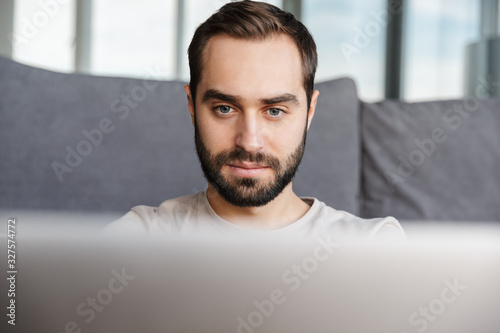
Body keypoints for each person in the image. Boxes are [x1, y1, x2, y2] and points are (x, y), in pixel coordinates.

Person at [105, 0, 404, 240]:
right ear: (192, 106)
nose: (249, 141)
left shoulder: (374, 249)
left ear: (309, 113)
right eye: (225, 108)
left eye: (274, 111)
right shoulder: (137, 240)